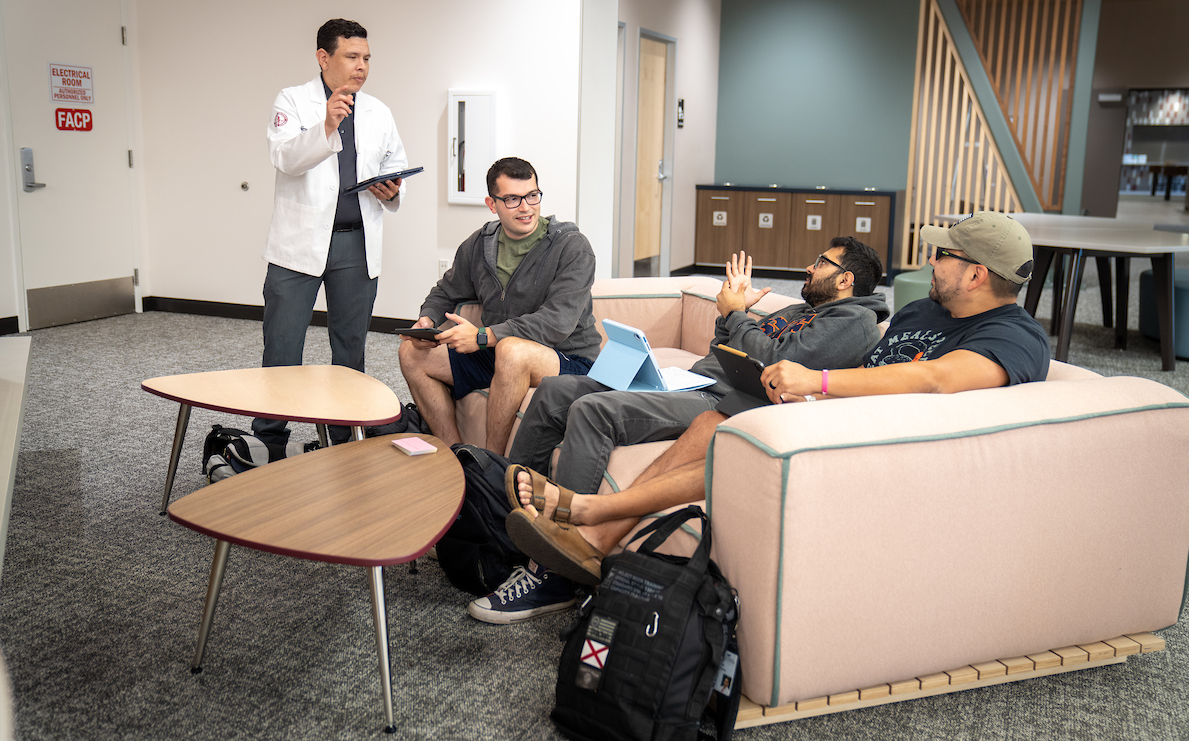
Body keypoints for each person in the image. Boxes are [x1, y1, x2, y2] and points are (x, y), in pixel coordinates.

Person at [502, 210, 1051, 592]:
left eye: (944, 256)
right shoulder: (921, 313)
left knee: (728, 429)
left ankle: (589, 513)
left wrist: (821, 381)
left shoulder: (1014, 336)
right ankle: (592, 535)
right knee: (713, 423)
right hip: (815, 412)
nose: (932, 263)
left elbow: (937, 380)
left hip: (871, 446)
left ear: (977, 273)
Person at [468, 238, 889, 623]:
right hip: (693, 380)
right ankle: (508, 524)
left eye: (821, 262)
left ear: (845, 278)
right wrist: (732, 316)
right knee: (557, 390)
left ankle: (559, 570)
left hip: (724, 401)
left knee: (594, 410)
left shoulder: (856, 322)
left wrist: (737, 313)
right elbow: (724, 349)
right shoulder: (801, 312)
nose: (810, 268)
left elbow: (774, 367)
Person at [254, 19, 407, 449]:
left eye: (367, 58)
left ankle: (346, 441)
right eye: (352, 57)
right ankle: (269, 442)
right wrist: (324, 125)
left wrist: (393, 189)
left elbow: (397, 163)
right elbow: (284, 157)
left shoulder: (378, 111)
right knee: (282, 350)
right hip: (297, 246)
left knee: (350, 351)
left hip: (355, 244)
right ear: (324, 58)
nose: (362, 67)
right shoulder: (293, 101)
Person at [398, 157, 600, 456]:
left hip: (568, 359)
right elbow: (446, 290)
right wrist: (427, 320)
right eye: (513, 199)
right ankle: (455, 456)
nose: (526, 207)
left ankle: (490, 467)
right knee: (411, 354)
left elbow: (556, 323)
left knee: (511, 350)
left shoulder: (571, 246)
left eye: (532, 195)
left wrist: (484, 336)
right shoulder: (480, 244)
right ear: (492, 204)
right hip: (498, 353)